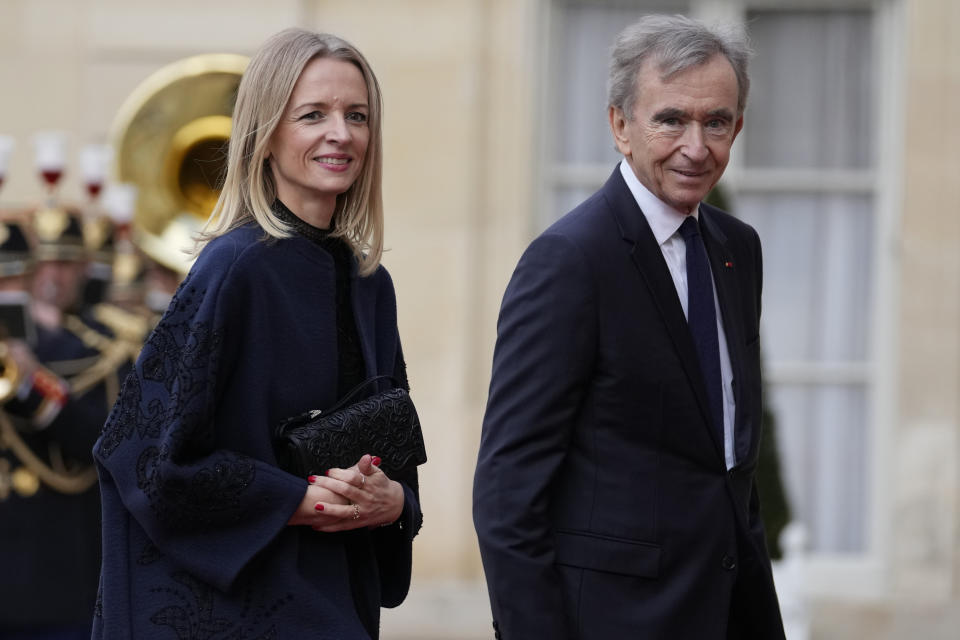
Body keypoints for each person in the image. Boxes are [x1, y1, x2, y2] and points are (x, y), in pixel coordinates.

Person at [92, 28, 422, 639]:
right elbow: (143, 455)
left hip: (338, 595)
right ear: (266, 134)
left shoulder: (371, 283)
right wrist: (297, 501)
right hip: (248, 607)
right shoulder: (235, 268)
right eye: (313, 115)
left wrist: (395, 503)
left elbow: (394, 458)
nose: (341, 134)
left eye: (357, 116)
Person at [473, 14, 785, 639]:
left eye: (716, 122)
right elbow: (508, 495)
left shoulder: (737, 248)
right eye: (671, 119)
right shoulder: (569, 260)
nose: (696, 146)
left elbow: (727, 458)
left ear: (738, 127)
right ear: (620, 125)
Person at [0, 216, 124, 639]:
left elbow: (101, 445)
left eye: (15, 276)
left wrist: (30, 379)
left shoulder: (89, 353)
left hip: (51, 577)